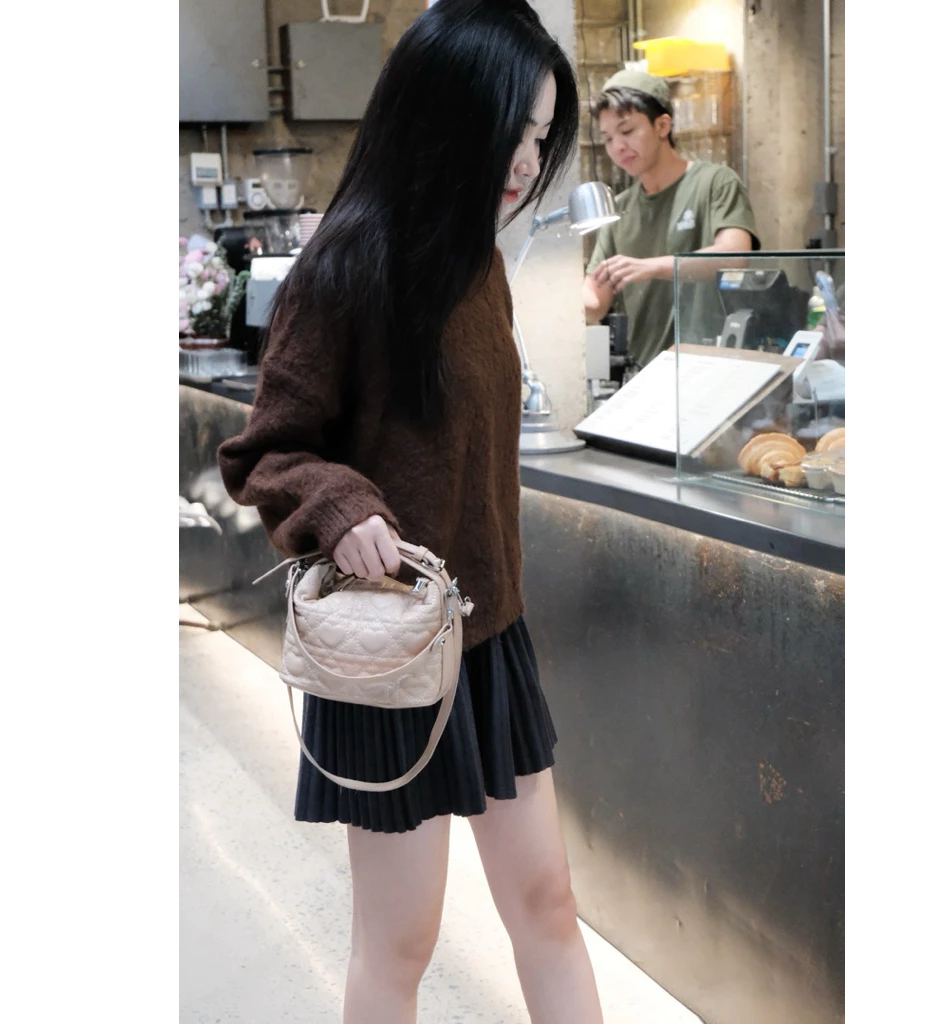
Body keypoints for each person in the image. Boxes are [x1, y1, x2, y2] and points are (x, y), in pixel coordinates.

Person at [216, 2, 604, 1022]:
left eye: (540, 136)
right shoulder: (346, 266)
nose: (526, 160)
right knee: (400, 943)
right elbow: (263, 450)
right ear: (444, 111)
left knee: (548, 904)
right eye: (511, 129)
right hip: (386, 651)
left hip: (491, 637)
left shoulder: (478, 264)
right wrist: (340, 501)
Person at [582, 69, 761, 368]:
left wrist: (651, 267)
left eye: (627, 131)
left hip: (713, 367)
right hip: (647, 374)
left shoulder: (715, 182)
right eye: (608, 138)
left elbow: (735, 256)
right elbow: (595, 302)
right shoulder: (619, 210)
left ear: (662, 125)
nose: (617, 147)